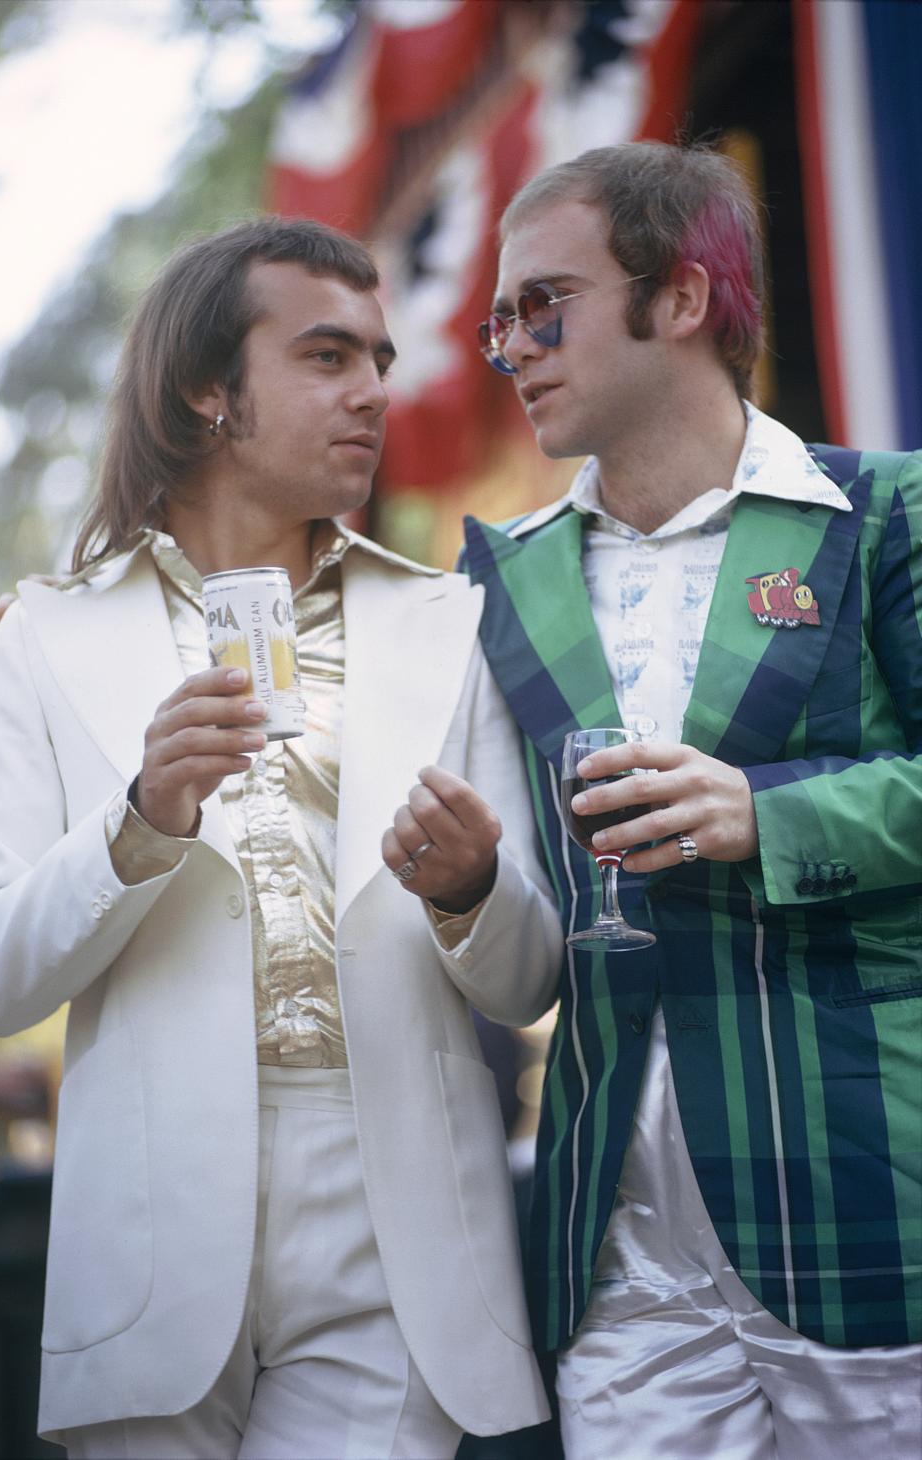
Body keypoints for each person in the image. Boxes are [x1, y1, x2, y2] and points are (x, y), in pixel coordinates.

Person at [0, 217, 563, 1458]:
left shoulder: (451, 620)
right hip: (146, 1214)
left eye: (381, 361)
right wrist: (140, 822)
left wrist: (471, 888)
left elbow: (529, 972)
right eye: (329, 356)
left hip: (399, 1213)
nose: (374, 393)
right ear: (207, 389)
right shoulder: (46, 635)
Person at [458, 141, 922, 1458]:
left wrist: (768, 816)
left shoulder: (885, 510)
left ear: (681, 298)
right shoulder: (497, 579)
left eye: (542, 304)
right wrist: (466, 888)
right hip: (612, 1227)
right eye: (499, 322)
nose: (512, 347)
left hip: (866, 1186)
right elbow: (527, 937)